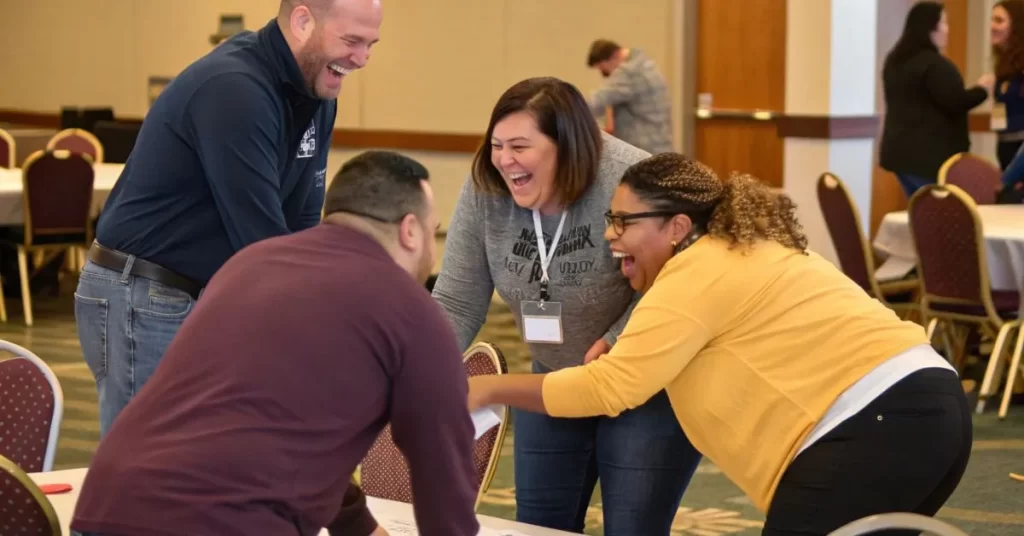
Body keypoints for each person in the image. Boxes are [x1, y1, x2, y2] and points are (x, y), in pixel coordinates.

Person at [468, 152, 973, 536]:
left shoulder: (694, 272)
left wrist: (488, 390)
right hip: (930, 413)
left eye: (624, 221)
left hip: (872, 427)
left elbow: (611, 388)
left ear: (678, 227)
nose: (610, 236)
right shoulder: (739, 250)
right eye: (609, 220)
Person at [70, 151, 481, 536]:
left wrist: (360, 528)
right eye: (434, 231)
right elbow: (441, 469)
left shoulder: (248, 266)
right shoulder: (412, 310)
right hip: (226, 522)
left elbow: (270, 431)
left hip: (108, 504)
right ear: (410, 230)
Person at [74, 0, 382, 436]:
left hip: (205, 293)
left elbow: (303, 223)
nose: (362, 59)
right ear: (301, 21)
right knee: (147, 464)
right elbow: (262, 242)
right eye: (351, 41)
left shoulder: (318, 94)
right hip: (143, 294)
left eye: (371, 44)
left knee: (201, 460)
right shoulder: (235, 89)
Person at [431, 77, 701, 535]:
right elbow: (457, 298)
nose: (504, 160)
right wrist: (419, 369)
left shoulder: (631, 180)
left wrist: (617, 339)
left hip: (641, 385)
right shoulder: (487, 186)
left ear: (568, 146)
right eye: (496, 145)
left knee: (633, 527)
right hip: (552, 378)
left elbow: (679, 281)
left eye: (520, 145)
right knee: (539, 525)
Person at [879, 1, 992, 199]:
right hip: (930, 158)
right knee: (939, 219)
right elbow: (955, 101)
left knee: (919, 214)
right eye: (944, 24)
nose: (947, 30)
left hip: (898, 154)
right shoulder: (935, 65)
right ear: (931, 28)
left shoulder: (895, 61)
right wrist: (982, 89)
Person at [585, 39, 674, 154]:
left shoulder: (629, 73)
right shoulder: (647, 64)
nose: (606, 75)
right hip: (660, 144)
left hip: (642, 149)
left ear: (614, 56)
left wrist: (570, 117)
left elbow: (596, 102)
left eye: (603, 69)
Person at [991, 0, 1024, 169]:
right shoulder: (1004, 65)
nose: (992, 26)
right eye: (992, 20)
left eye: (999, 20)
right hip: (1006, 147)